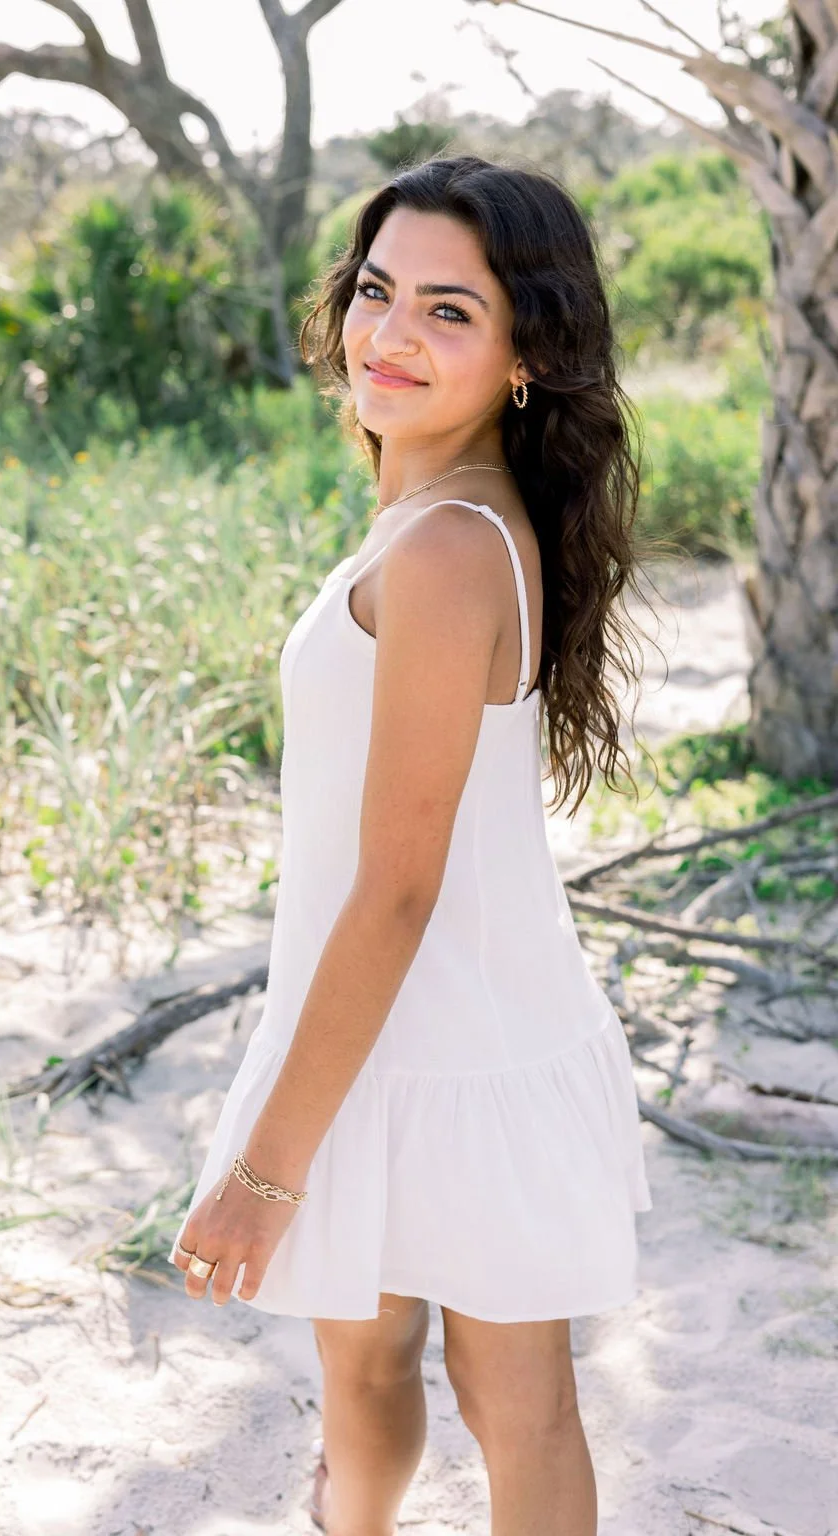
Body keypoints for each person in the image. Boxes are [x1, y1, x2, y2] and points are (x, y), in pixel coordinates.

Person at [171, 154, 653, 1536]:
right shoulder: (446, 511)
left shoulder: (446, 546)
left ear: (524, 357)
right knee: (372, 1371)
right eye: (379, 291)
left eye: (451, 310)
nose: (389, 334)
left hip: (454, 1043)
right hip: (391, 1033)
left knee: (511, 1404)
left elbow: (398, 885)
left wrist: (264, 1177)